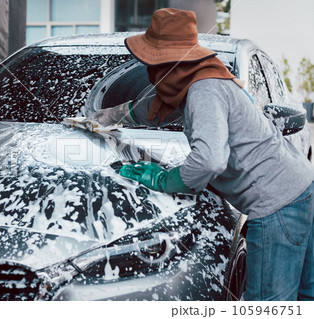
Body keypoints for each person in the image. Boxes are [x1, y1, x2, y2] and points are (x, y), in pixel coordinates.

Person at [90, 8, 314, 301]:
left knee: (268, 306)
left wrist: (165, 178)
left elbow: (210, 160)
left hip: (277, 205)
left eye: (153, 64)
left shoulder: (203, 90)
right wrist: (113, 115)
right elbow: (155, 107)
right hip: (299, 189)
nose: (150, 72)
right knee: (305, 299)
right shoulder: (201, 79)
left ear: (170, 63)